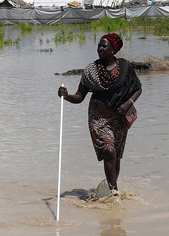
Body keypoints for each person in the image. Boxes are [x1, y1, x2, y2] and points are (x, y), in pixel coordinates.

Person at [58, 33, 142, 192]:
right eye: (99, 45)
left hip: (119, 116)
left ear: (113, 49)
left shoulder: (125, 67)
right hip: (98, 117)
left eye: (104, 46)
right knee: (108, 151)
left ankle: (111, 189)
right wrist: (67, 96)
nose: (100, 48)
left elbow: (138, 89)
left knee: (116, 156)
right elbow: (79, 97)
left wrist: (127, 104)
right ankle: (114, 192)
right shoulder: (91, 70)